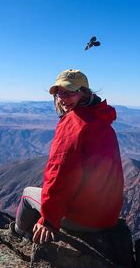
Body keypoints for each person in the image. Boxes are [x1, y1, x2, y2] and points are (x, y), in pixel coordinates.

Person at [13, 69, 124, 244]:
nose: (62, 98)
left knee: (27, 195)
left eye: (69, 92)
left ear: (84, 93)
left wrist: (48, 220)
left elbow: (59, 174)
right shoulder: (101, 120)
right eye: (59, 93)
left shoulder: (74, 124)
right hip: (107, 216)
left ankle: (16, 237)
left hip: (83, 218)